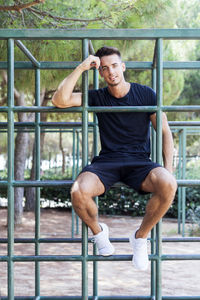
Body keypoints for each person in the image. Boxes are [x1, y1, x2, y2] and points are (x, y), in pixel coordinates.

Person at [52, 46, 177, 271]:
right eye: (105, 68)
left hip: (140, 162)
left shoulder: (146, 94)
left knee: (169, 183)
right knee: (78, 191)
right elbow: (59, 100)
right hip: (107, 162)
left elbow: (165, 131)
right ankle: (99, 234)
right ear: (100, 72)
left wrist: (168, 168)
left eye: (115, 66)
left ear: (123, 66)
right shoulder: (97, 96)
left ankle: (140, 238)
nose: (111, 72)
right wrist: (81, 67)